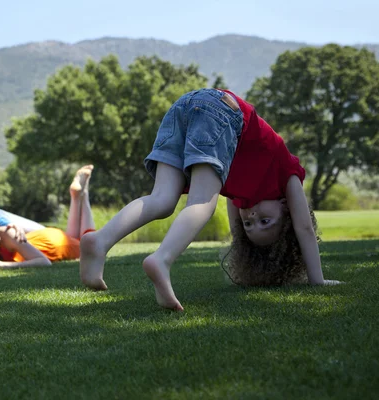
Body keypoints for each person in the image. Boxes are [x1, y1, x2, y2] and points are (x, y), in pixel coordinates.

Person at [79, 88, 338, 311]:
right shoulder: (287, 175)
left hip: (182, 108)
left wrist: (244, 239)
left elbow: (238, 230)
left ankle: (100, 240)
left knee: (162, 199)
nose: (251, 218)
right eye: (266, 221)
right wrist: (317, 280)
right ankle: (162, 259)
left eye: (250, 225)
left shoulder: (240, 198)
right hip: (222, 112)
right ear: (286, 211)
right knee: (202, 202)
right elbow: (304, 227)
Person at [0, 165, 96, 273]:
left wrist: (0, 265)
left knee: (89, 243)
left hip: (53, 244)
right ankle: (78, 195)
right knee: (75, 237)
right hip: (51, 239)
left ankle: (85, 194)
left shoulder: (6, 234)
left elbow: (44, 263)